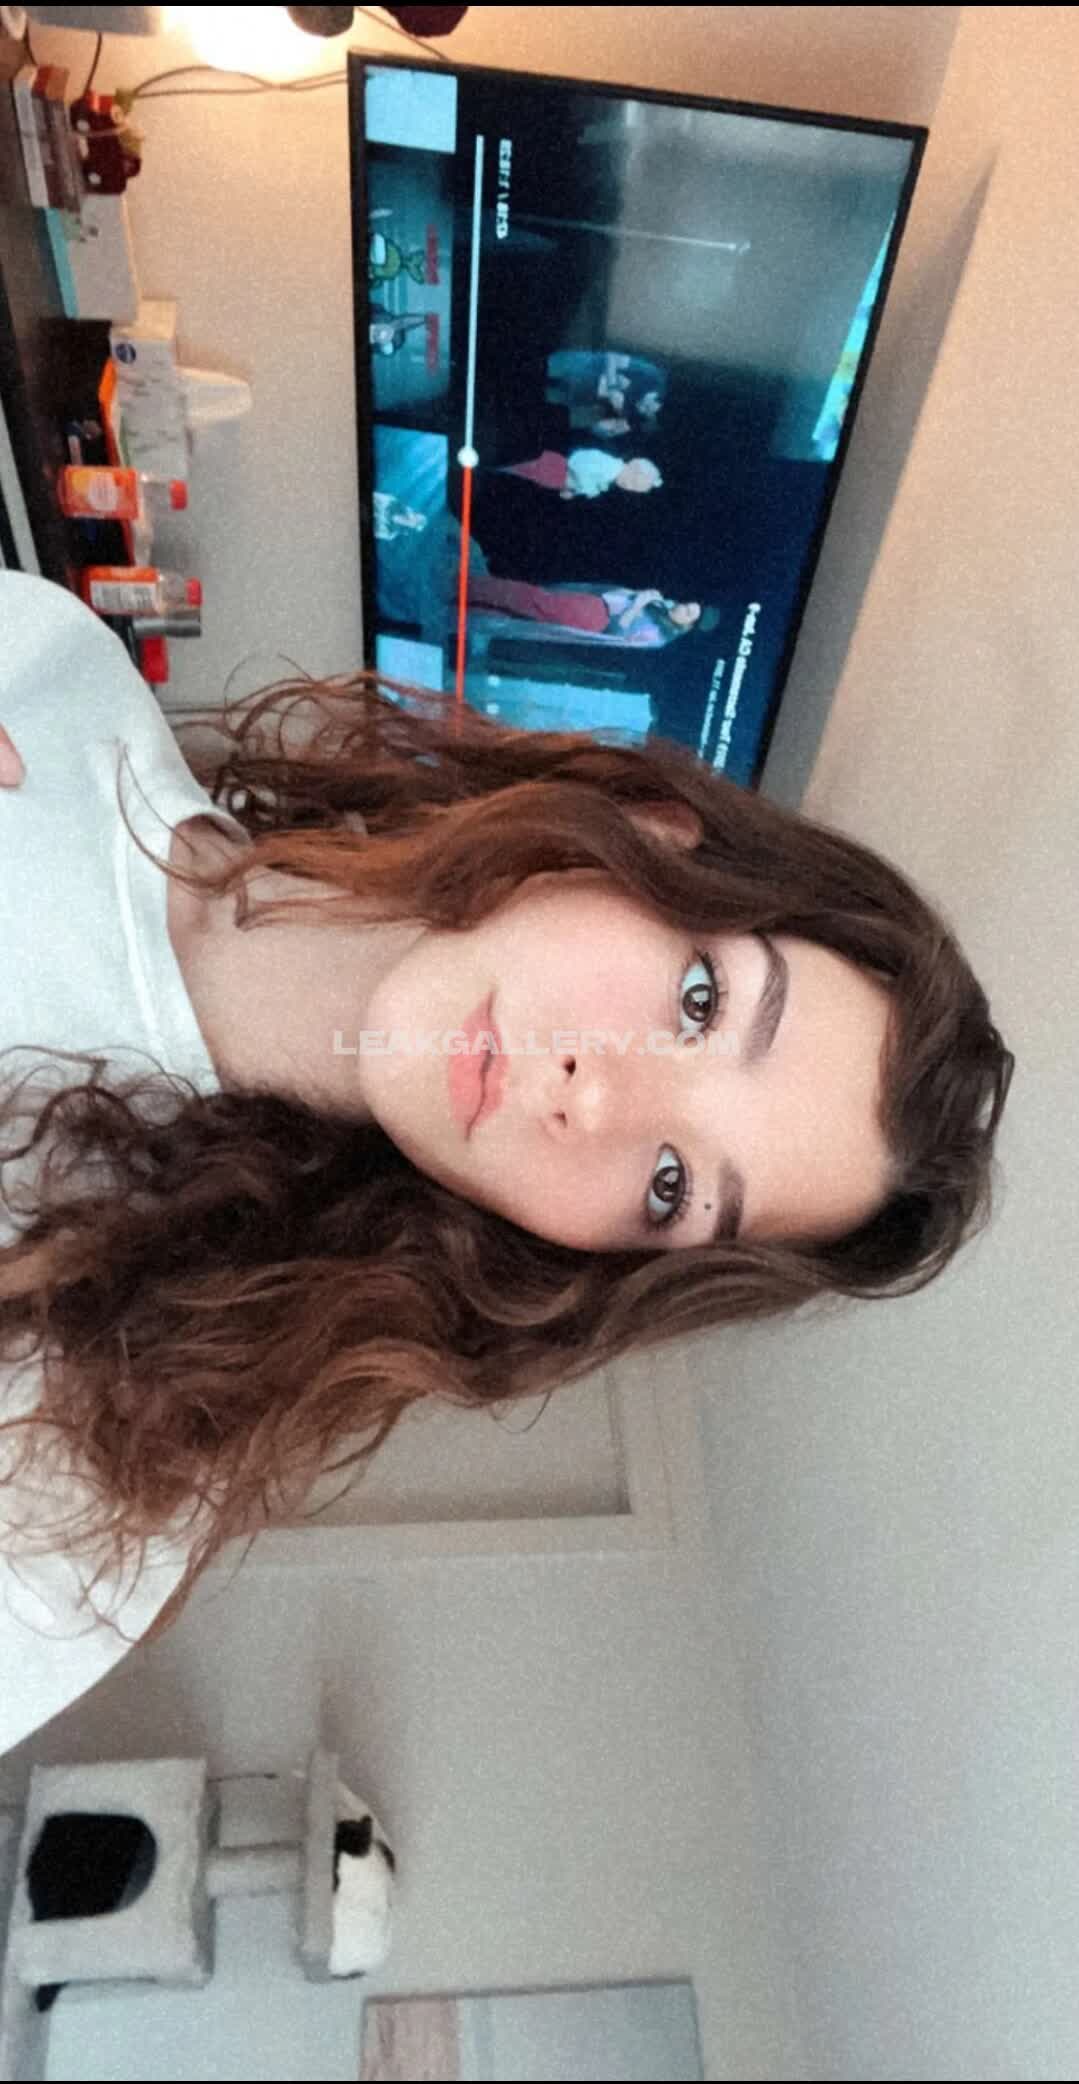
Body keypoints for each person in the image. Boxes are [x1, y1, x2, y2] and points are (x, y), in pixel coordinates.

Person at [0, 572, 1014, 1752]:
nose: (598, 1094)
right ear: (650, 835)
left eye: (671, 1185)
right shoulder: (53, 676)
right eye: (699, 1000)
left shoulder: (90, 1475)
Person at [464, 579, 717, 647]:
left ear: (686, 626)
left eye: (688, 613)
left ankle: (467, 586)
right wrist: (641, 597)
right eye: (688, 605)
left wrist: (638, 603)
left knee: (532, 600)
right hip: (594, 603)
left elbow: (619, 634)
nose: (682, 607)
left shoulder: (659, 636)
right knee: (530, 607)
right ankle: (470, 602)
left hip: (595, 619)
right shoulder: (663, 605)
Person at [496, 451, 663, 500]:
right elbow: (577, 461)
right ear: (632, 466)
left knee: (513, 475)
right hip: (554, 469)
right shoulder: (609, 465)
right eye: (633, 481)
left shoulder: (609, 477)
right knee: (511, 471)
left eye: (633, 488)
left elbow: (583, 479)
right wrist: (585, 487)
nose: (628, 486)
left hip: (555, 477)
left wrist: (572, 490)